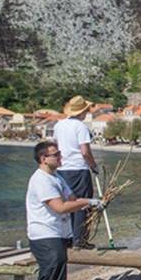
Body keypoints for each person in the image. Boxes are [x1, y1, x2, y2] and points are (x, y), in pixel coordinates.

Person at [26, 141, 103, 280]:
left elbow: (71, 197)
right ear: (44, 158)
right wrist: (87, 202)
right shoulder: (41, 180)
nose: (61, 157)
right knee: (50, 279)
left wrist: (86, 203)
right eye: (56, 155)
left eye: (60, 153)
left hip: (58, 234)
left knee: (59, 278)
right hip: (44, 235)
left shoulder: (56, 176)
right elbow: (60, 207)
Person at [54, 95, 99, 248]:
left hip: (62, 170)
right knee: (82, 203)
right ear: (81, 112)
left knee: (66, 204)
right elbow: (85, 151)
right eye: (86, 110)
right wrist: (93, 165)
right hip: (78, 168)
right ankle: (79, 240)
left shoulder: (58, 125)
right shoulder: (80, 127)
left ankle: (67, 238)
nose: (86, 113)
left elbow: (56, 146)